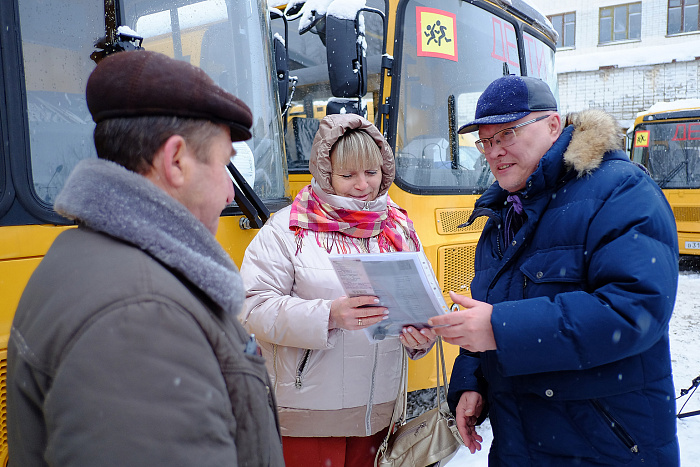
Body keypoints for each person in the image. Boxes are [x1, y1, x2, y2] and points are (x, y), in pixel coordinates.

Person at [7, 50, 284, 466]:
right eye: (225, 165)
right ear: (175, 161)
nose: (231, 193)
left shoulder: (88, 256)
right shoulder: (144, 316)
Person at [428, 75, 680, 466]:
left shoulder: (621, 190)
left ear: (552, 125)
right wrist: (472, 381)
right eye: (486, 141)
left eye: (507, 134)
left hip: (606, 447)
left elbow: (635, 309)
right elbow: (491, 308)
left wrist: (500, 329)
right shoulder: (503, 212)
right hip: (521, 446)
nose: (494, 152)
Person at [240, 114, 436, 467]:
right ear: (325, 174)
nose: (363, 185)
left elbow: (421, 301)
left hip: (379, 416)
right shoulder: (287, 229)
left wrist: (421, 337)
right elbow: (250, 308)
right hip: (309, 419)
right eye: (348, 175)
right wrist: (329, 315)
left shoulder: (400, 226)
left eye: (372, 172)